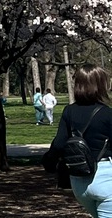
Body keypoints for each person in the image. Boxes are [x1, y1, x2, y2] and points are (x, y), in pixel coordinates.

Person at [46, 65, 112, 217]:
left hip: (79, 181)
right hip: (106, 176)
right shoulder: (108, 114)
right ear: (101, 85)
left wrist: (49, 163)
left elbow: (59, 144)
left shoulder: (69, 111)